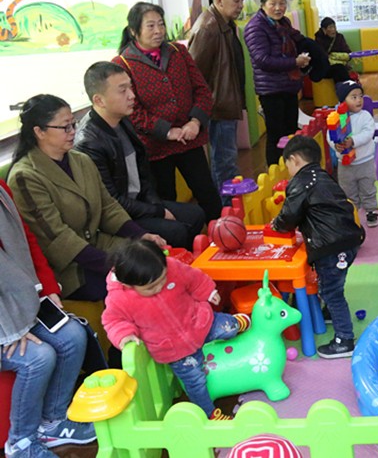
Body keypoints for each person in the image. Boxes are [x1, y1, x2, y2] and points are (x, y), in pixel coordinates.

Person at [8, 94, 164, 301]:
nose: (73, 131)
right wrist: (116, 264)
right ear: (39, 132)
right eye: (65, 127)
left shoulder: (81, 160)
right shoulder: (25, 177)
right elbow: (59, 238)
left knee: (155, 258)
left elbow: (108, 206)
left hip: (98, 244)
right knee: (134, 285)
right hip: (70, 267)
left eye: (73, 124)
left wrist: (140, 235)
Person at [101, 239, 251, 420]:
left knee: (229, 327)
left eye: (163, 279)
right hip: (174, 349)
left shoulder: (173, 267)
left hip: (199, 322)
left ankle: (235, 323)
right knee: (195, 382)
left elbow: (193, 278)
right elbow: (113, 320)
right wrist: (124, 335)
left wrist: (208, 291)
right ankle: (209, 414)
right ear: (128, 284)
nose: (159, 287)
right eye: (151, 287)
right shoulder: (120, 298)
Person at [1, 179, 97, 457]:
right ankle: (20, 443)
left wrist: (48, 287)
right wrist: (8, 328)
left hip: (17, 301)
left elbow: (26, 239)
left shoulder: (1, 189)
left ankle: (52, 423)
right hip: (4, 321)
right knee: (38, 358)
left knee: (72, 335)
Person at [75, 62, 206, 250]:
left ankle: (180, 262)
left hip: (138, 203)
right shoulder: (89, 143)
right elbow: (111, 201)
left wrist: (156, 207)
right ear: (99, 100)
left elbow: (143, 174)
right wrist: (158, 211)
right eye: (123, 91)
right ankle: (167, 264)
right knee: (177, 231)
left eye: (130, 87)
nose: (132, 95)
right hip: (118, 217)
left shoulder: (122, 120)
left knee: (196, 214)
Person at [114, 2, 222, 222]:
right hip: (155, 147)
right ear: (134, 31)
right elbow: (132, 111)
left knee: (207, 193)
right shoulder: (123, 63)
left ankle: (222, 235)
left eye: (161, 24)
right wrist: (167, 131)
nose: (158, 31)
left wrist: (195, 122)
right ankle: (182, 241)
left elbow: (202, 90)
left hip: (188, 138)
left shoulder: (178, 52)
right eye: (150, 26)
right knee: (166, 199)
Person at [271, 136, 365, 359]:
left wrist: (277, 224)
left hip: (331, 245)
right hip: (348, 240)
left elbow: (290, 214)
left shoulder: (301, 182)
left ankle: (344, 340)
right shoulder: (323, 176)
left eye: (287, 165)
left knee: (332, 292)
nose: (288, 171)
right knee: (332, 285)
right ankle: (331, 312)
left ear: (294, 160)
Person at [243, 0, 329, 167]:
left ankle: (292, 169)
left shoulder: (284, 23)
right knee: (276, 135)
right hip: (271, 90)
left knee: (291, 132)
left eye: (282, 3)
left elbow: (297, 42)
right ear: (263, 5)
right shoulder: (255, 27)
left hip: (289, 85)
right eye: (273, 3)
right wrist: (294, 62)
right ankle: (275, 172)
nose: (278, 8)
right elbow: (263, 60)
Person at [187, 0, 247, 199]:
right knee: (224, 162)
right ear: (219, 1)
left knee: (226, 160)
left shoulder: (225, 24)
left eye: (242, 0)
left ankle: (228, 206)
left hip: (224, 103)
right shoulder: (208, 28)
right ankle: (227, 209)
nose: (241, 5)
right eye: (237, 0)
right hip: (217, 107)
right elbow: (195, 74)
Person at [331, 80, 378, 228]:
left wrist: (353, 141)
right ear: (343, 101)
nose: (359, 100)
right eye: (354, 97)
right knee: (348, 191)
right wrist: (336, 145)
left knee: (368, 188)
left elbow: (368, 133)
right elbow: (330, 135)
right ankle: (353, 213)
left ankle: (371, 211)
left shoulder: (365, 116)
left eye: (360, 96)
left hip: (365, 162)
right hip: (345, 165)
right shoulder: (338, 117)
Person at [314, 17, 356, 83]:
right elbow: (322, 57)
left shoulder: (339, 37)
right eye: (330, 27)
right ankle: (347, 87)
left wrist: (336, 57)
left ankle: (347, 86)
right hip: (325, 69)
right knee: (339, 69)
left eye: (334, 27)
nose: (333, 29)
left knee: (340, 69)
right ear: (324, 30)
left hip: (341, 66)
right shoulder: (319, 39)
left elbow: (348, 53)